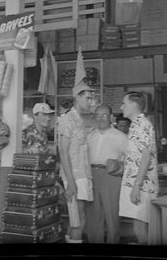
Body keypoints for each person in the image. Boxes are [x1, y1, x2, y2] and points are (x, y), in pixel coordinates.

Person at [119, 92, 158, 245]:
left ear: (134, 105)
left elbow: (146, 158)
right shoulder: (135, 124)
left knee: (140, 226)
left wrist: (137, 186)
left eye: (124, 103)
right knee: (139, 225)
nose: (121, 106)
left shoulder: (142, 125)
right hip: (135, 183)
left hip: (141, 185)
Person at [58, 83, 95, 243]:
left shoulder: (80, 120)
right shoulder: (67, 119)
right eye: (87, 97)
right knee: (77, 220)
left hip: (83, 175)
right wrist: (71, 182)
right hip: (74, 177)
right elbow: (63, 152)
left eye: (91, 98)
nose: (90, 101)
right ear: (77, 97)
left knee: (77, 219)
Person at [85, 104, 127, 243]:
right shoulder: (90, 135)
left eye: (104, 115)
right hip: (91, 175)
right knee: (93, 214)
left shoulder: (121, 136)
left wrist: (119, 167)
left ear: (111, 117)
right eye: (97, 115)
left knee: (112, 214)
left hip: (111, 176)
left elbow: (131, 160)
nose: (100, 118)